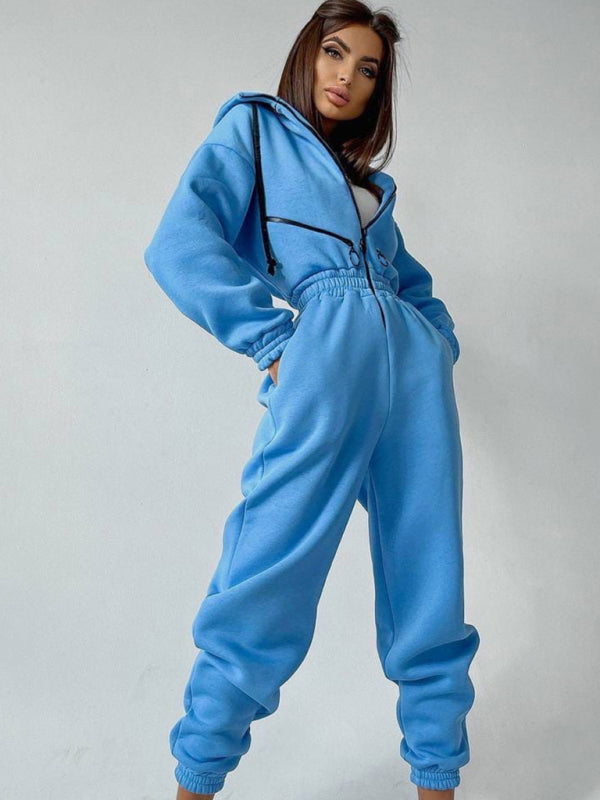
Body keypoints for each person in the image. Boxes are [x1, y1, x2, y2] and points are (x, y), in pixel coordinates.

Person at [144, 2, 481, 798]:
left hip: (412, 381)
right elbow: (178, 243)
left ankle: (437, 777)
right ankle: (198, 776)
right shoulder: (255, 130)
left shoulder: (370, 189)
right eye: (335, 53)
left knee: (430, 577)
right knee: (267, 573)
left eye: (368, 70)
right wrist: (271, 343)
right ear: (307, 54)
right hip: (323, 363)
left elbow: (411, 285)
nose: (347, 77)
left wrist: (435, 343)